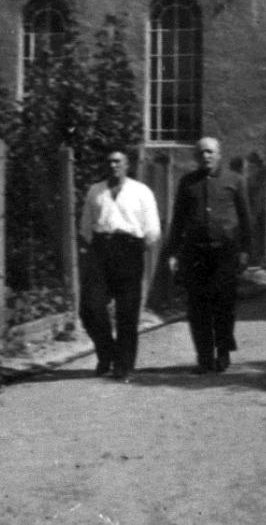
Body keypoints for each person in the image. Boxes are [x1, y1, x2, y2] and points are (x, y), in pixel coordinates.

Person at [168, 137, 251, 374]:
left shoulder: (235, 181)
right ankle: (204, 357)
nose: (206, 156)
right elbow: (178, 221)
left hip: (225, 252)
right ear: (196, 156)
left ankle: (223, 352)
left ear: (219, 155)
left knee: (224, 305)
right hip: (195, 254)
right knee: (198, 306)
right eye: (201, 153)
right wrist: (173, 252)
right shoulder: (187, 183)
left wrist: (245, 250)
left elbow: (246, 219)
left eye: (210, 152)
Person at [79, 148, 161, 382]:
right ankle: (107, 354)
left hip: (129, 251)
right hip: (101, 250)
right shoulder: (96, 190)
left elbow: (152, 229)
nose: (113, 165)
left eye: (118, 162)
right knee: (90, 308)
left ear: (127, 165)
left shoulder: (141, 191)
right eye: (110, 161)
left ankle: (124, 366)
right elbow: (85, 226)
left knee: (127, 312)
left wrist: (136, 250)